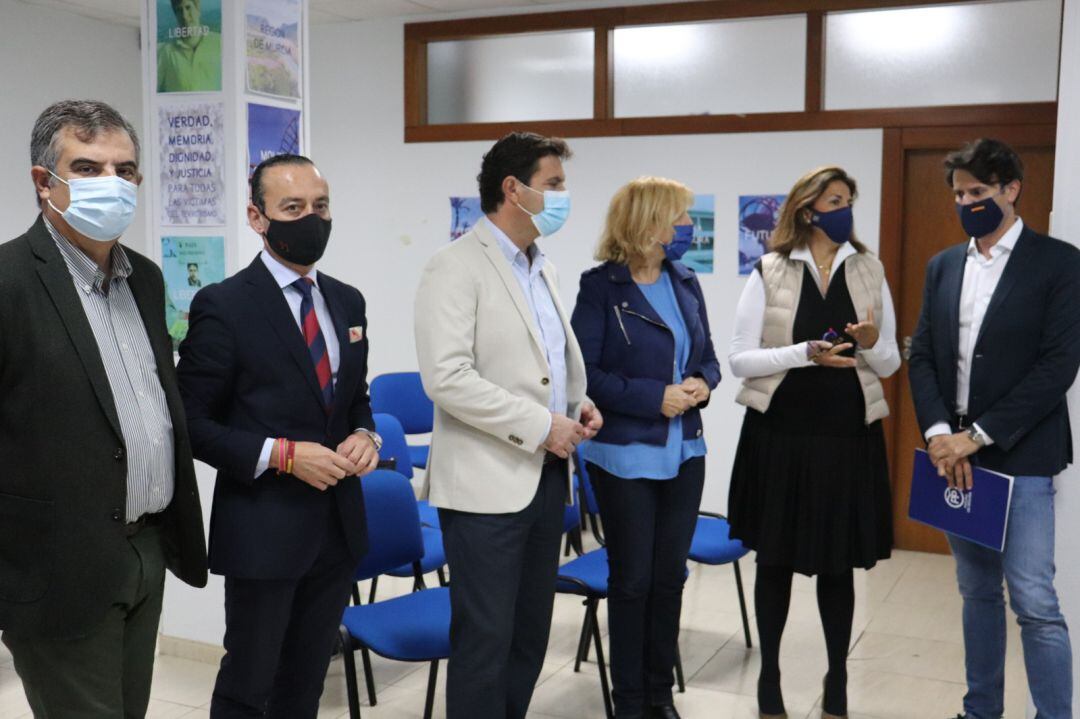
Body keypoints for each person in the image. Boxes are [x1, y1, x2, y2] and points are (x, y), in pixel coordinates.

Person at [0, 99, 208, 716]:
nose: (111, 184)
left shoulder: (144, 278)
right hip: (56, 566)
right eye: (88, 168)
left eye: (125, 170)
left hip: (145, 549)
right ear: (45, 182)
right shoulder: (9, 282)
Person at [177, 154, 380, 717]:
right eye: (292, 207)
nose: (310, 218)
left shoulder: (347, 300)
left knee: (306, 683)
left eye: (320, 206)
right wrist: (281, 455)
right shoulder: (224, 305)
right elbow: (191, 423)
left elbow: (354, 399)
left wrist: (367, 434)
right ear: (256, 216)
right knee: (249, 683)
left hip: (337, 528)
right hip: (264, 531)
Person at [414, 131, 602, 719]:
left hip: (545, 477)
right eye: (554, 184)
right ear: (512, 190)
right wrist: (541, 424)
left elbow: (541, 362)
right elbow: (447, 378)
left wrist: (578, 402)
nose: (564, 196)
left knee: (528, 636)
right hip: (484, 488)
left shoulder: (540, 266)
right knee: (485, 642)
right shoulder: (455, 266)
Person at [908, 138, 1080, 719]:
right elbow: (925, 356)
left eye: (978, 192)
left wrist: (976, 435)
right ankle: (980, 709)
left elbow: (1057, 368)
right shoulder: (943, 266)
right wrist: (938, 433)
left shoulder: (1059, 263)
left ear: (1011, 190)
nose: (967, 203)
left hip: (1022, 456)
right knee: (977, 592)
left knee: (1034, 601)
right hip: (952, 457)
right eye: (959, 194)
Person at [727, 166, 900, 719]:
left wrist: (872, 344)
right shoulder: (770, 270)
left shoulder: (869, 269)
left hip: (846, 437)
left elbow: (891, 362)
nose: (844, 210)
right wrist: (801, 353)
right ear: (808, 211)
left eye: (848, 200)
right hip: (780, 436)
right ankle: (770, 679)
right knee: (773, 561)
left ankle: (838, 678)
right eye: (835, 200)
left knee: (837, 565)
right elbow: (739, 359)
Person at [569, 177, 719, 719]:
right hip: (624, 455)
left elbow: (707, 356)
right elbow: (586, 375)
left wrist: (703, 382)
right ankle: (629, 702)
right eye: (681, 217)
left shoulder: (684, 278)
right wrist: (653, 397)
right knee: (632, 581)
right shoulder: (601, 288)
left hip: (685, 452)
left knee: (669, 577)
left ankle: (660, 695)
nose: (688, 227)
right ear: (650, 224)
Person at [157, 0, 223, 93]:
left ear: (198, 10)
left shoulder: (219, 43)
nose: (184, 15)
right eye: (179, 10)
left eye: (188, 7)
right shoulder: (166, 53)